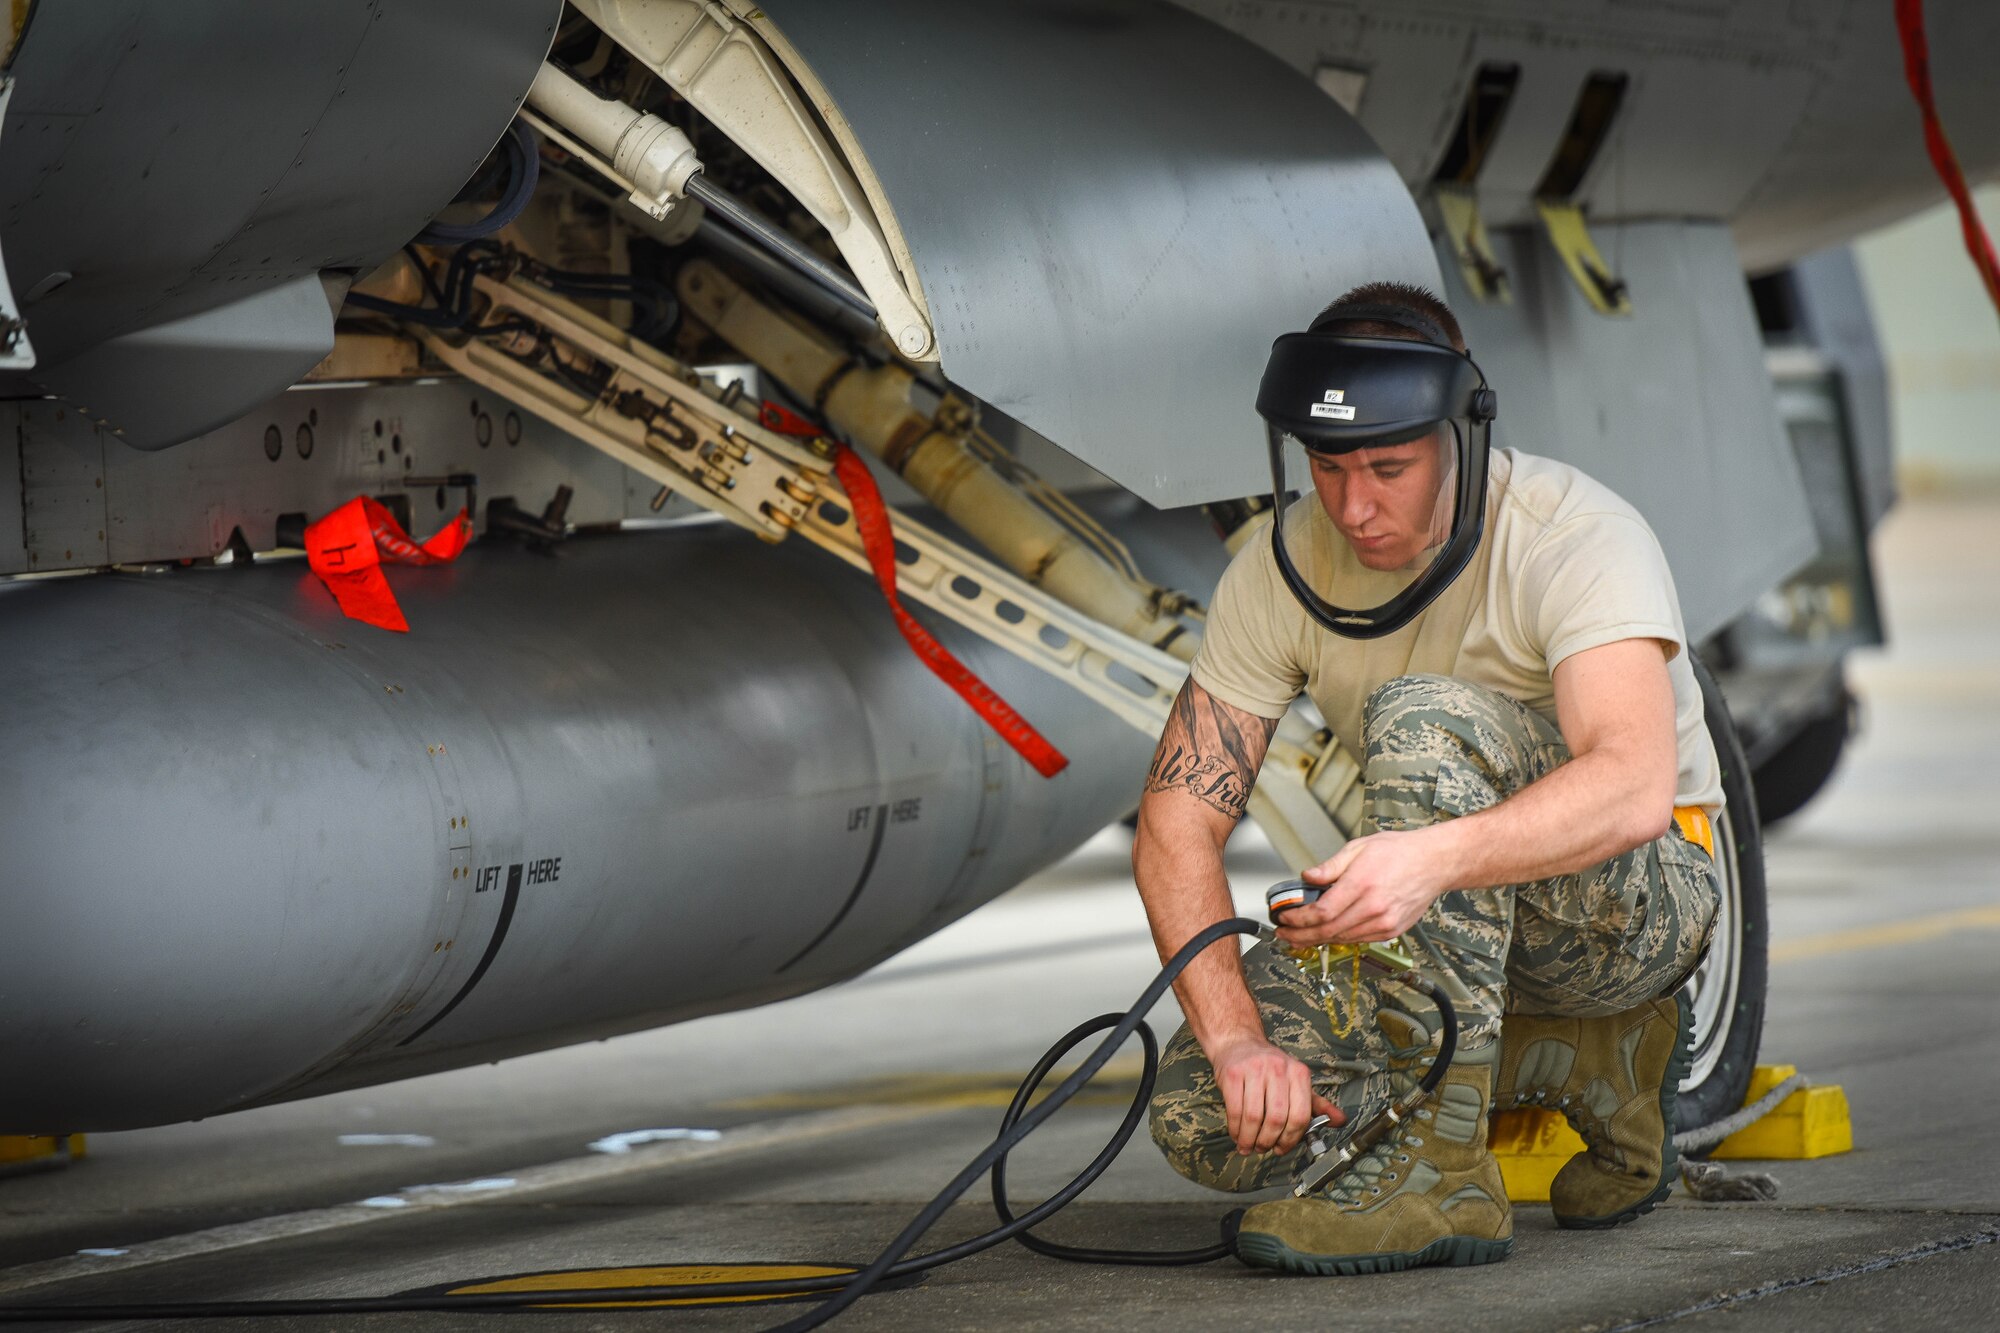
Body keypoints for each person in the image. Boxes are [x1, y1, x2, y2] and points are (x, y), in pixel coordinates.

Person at [1133, 281, 1722, 1274]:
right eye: (1326, 465)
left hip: (1630, 909)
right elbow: (1172, 827)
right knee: (1202, 1114)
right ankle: (1585, 1064)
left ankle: (1434, 1174)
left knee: (1420, 715)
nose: (1352, 504)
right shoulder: (1276, 574)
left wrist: (1426, 863)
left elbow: (1631, 784)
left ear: (1460, 433)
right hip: (1436, 927)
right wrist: (1237, 1042)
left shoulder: (1570, 533)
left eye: (1387, 466)